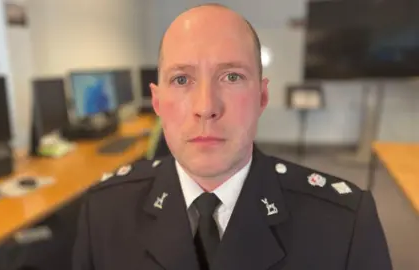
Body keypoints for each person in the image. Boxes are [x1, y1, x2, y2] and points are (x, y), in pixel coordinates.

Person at [73, 4, 392, 270]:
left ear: (261, 97)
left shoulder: (344, 224)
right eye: (182, 78)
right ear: (157, 102)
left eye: (232, 77)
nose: (206, 107)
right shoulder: (103, 212)